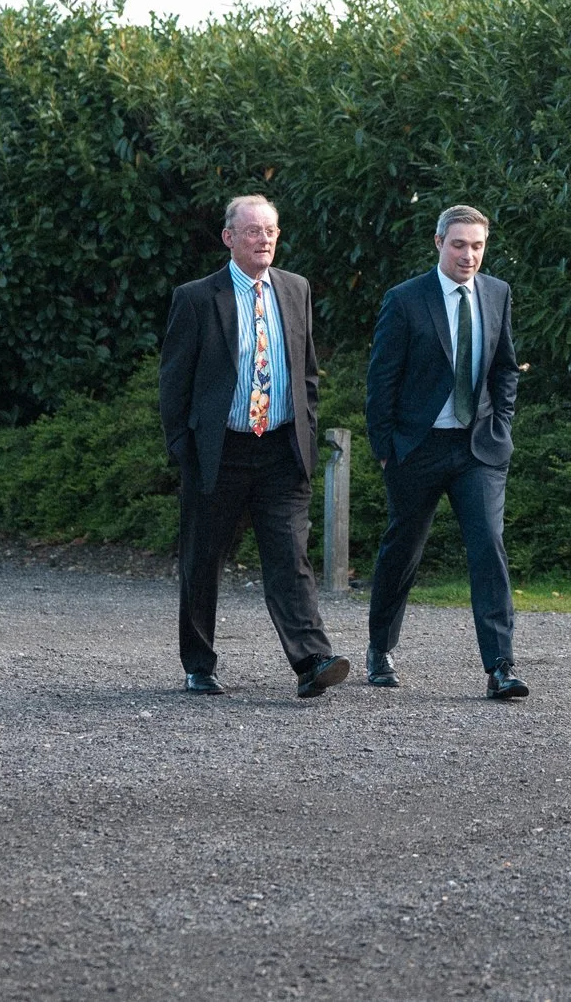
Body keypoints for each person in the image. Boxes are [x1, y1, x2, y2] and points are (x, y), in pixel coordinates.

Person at [158, 195, 349, 698]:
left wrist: (306, 434)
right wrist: (183, 446)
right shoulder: (198, 298)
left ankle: (312, 661)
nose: (263, 240)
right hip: (220, 452)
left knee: (290, 557)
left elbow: (305, 371)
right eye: (252, 232)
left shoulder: (295, 288)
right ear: (229, 238)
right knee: (203, 560)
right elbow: (174, 380)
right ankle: (199, 664)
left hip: (281, 450)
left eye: (271, 231)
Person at [362, 203, 525, 700]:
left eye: (477, 246)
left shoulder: (497, 294)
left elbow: (505, 367)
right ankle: (380, 648)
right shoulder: (406, 300)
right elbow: (381, 381)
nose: (468, 255)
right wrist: (387, 449)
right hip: (417, 448)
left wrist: (501, 424)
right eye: (459, 244)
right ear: (438, 243)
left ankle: (500, 666)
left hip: (478, 447)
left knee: (488, 549)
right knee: (403, 550)